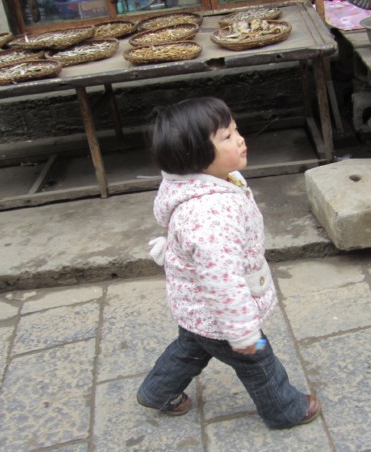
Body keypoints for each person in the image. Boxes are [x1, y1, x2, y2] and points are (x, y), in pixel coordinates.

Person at [137, 97, 321, 429]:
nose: (240, 139)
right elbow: (223, 282)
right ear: (194, 157)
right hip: (221, 313)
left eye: (236, 131)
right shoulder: (211, 217)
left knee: (191, 346)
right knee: (258, 361)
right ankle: (285, 410)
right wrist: (244, 332)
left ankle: (157, 391)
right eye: (227, 137)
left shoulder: (201, 179)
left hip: (196, 307)